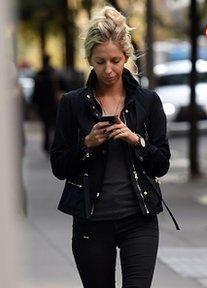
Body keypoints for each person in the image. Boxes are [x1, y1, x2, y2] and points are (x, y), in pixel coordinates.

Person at [50, 6, 178, 288]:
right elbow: (58, 166)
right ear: (89, 61)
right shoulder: (72, 104)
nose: (109, 69)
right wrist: (87, 144)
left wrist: (136, 140)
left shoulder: (148, 102)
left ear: (126, 57)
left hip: (139, 220)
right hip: (91, 223)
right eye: (100, 62)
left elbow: (162, 163)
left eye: (115, 60)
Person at [32, 54, 64, 154]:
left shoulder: (39, 74)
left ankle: (47, 145)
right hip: (54, 104)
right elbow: (63, 87)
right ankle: (54, 145)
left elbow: (36, 93)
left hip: (44, 105)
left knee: (46, 126)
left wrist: (35, 104)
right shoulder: (55, 73)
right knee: (55, 126)